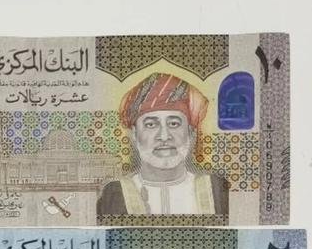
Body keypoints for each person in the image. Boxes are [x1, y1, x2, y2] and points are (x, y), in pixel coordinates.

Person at [98, 72, 228, 217]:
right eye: (151, 124)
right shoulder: (114, 194)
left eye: (174, 124)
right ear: (134, 134)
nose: (164, 136)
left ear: (190, 132)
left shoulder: (217, 190)